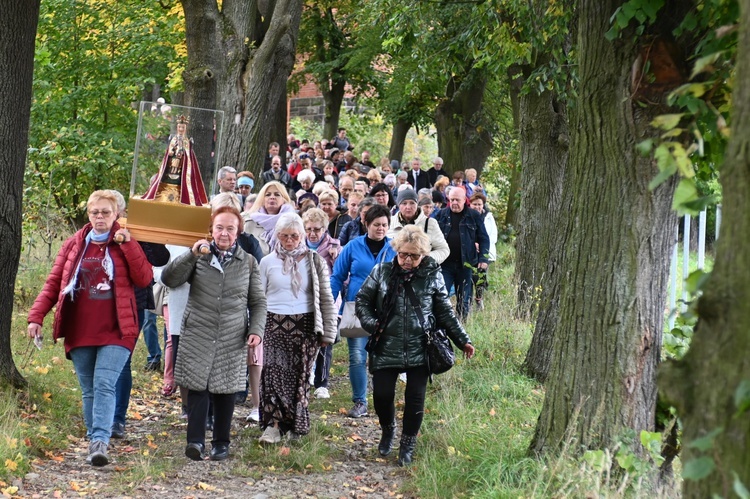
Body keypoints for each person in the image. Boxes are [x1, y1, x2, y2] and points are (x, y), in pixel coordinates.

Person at [27, 190, 153, 466]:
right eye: (95, 212)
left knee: (105, 383)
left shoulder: (126, 242)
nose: (100, 217)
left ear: (116, 214)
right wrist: (36, 317)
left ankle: (100, 442)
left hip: (118, 329)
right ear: (88, 214)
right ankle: (94, 434)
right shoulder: (74, 244)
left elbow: (144, 278)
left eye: (106, 212)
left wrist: (130, 244)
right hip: (80, 328)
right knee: (89, 389)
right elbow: (53, 283)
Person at [356, 225, 475, 466]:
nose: (407, 260)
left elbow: (445, 312)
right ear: (396, 251)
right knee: (382, 395)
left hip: (421, 345)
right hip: (386, 343)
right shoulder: (382, 272)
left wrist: (463, 340)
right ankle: (388, 429)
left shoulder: (433, 276)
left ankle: (407, 444)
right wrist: (374, 324)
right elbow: (362, 301)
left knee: (415, 399)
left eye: (414, 255)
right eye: (403, 254)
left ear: (424, 255)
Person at [161, 206, 267, 461]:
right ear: (211, 230)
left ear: (238, 232)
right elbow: (170, 279)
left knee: (225, 391)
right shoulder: (199, 257)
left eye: (230, 228)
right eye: (219, 227)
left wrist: (256, 331)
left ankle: (221, 443)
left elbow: (258, 302)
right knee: (197, 388)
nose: (224, 233)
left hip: (232, 334)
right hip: (198, 331)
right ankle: (195, 442)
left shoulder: (248, 262)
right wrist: (190, 254)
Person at [258, 213, 337, 443]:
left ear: (301, 235)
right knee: (272, 373)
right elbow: (258, 297)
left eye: (294, 236)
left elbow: (325, 297)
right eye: (284, 236)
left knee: (299, 376)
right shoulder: (267, 262)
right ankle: (273, 426)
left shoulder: (315, 261)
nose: (289, 241)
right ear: (277, 236)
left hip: (306, 324)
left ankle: (294, 423)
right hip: (273, 323)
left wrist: (328, 332)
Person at [331, 205, 397, 418]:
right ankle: (360, 401)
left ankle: (382, 399)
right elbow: (337, 276)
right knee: (357, 356)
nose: (381, 228)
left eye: (385, 225)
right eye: (376, 224)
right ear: (366, 224)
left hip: (386, 310)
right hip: (356, 307)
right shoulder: (352, 246)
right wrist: (329, 306)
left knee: (382, 358)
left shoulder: (394, 248)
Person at [302, 209, 341, 400]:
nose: (312, 233)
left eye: (316, 229)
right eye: (308, 229)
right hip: (305, 298)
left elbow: (341, 275)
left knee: (325, 341)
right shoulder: (299, 246)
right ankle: (306, 373)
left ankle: (322, 381)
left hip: (327, 299)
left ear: (324, 229)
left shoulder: (334, 247)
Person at [435, 188, 490, 320]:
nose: (454, 202)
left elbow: (484, 238)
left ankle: (462, 326)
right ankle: (442, 326)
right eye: (451, 199)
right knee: (442, 296)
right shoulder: (441, 215)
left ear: (464, 200)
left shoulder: (473, 215)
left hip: (466, 264)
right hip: (445, 264)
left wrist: (483, 258)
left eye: (457, 200)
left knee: (464, 299)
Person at [143, 115, 209, 206]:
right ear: (177, 128)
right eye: (179, 127)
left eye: (183, 127)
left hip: (181, 163)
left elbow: (188, 155)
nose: (181, 129)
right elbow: (169, 151)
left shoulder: (187, 141)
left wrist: (182, 153)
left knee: (179, 168)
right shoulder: (173, 139)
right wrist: (172, 151)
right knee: (171, 167)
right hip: (172, 160)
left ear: (185, 128)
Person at [388, 189, 449, 264]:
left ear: (417, 204)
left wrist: (425, 259)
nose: (408, 207)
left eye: (412, 203)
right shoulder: (389, 223)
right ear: (398, 205)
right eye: (404, 203)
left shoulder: (430, 223)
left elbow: (443, 250)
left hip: (422, 272)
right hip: (394, 270)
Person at [243, 181, 296, 255]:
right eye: (268, 195)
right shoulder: (250, 223)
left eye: (277, 194)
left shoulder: (293, 222)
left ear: (284, 199)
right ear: (262, 199)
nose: (272, 197)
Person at [469, 193, 497, 309]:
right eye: (474, 204)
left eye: (479, 204)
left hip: (484, 251)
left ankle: (479, 299)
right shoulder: (467, 216)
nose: (477, 206)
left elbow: (493, 235)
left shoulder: (488, 217)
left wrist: (482, 245)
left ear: (483, 205)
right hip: (470, 251)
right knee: (470, 276)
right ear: (470, 205)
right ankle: (468, 300)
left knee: (480, 276)